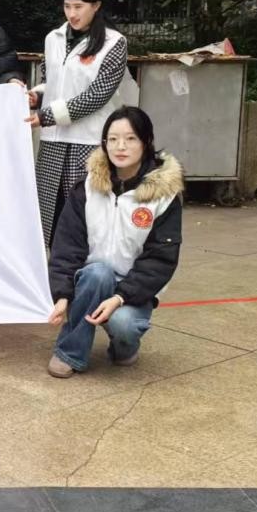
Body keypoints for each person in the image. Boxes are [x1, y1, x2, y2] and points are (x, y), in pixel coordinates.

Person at [45, 106, 183, 378]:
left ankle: (124, 347)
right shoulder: (86, 188)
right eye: (113, 139)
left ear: (146, 142)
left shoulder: (164, 196)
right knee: (98, 274)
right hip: (90, 281)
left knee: (124, 325)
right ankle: (69, 352)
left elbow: (160, 259)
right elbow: (66, 246)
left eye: (131, 138)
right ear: (104, 143)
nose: (120, 146)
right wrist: (62, 294)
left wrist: (120, 297)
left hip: (133, 288)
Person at [27, 0, 134, 249]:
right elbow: (53, 82)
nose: (72, 14)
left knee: (85, 214)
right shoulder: (53, 38)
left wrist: (47, 116)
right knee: (49, 214)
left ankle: (86, 268)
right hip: (53, 141)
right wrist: (37, 96)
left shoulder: (114, 42)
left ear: (96, 6)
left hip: (88, 141)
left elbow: (97, 95)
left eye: (78, 7)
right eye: (67, 6)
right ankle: (54, 268)